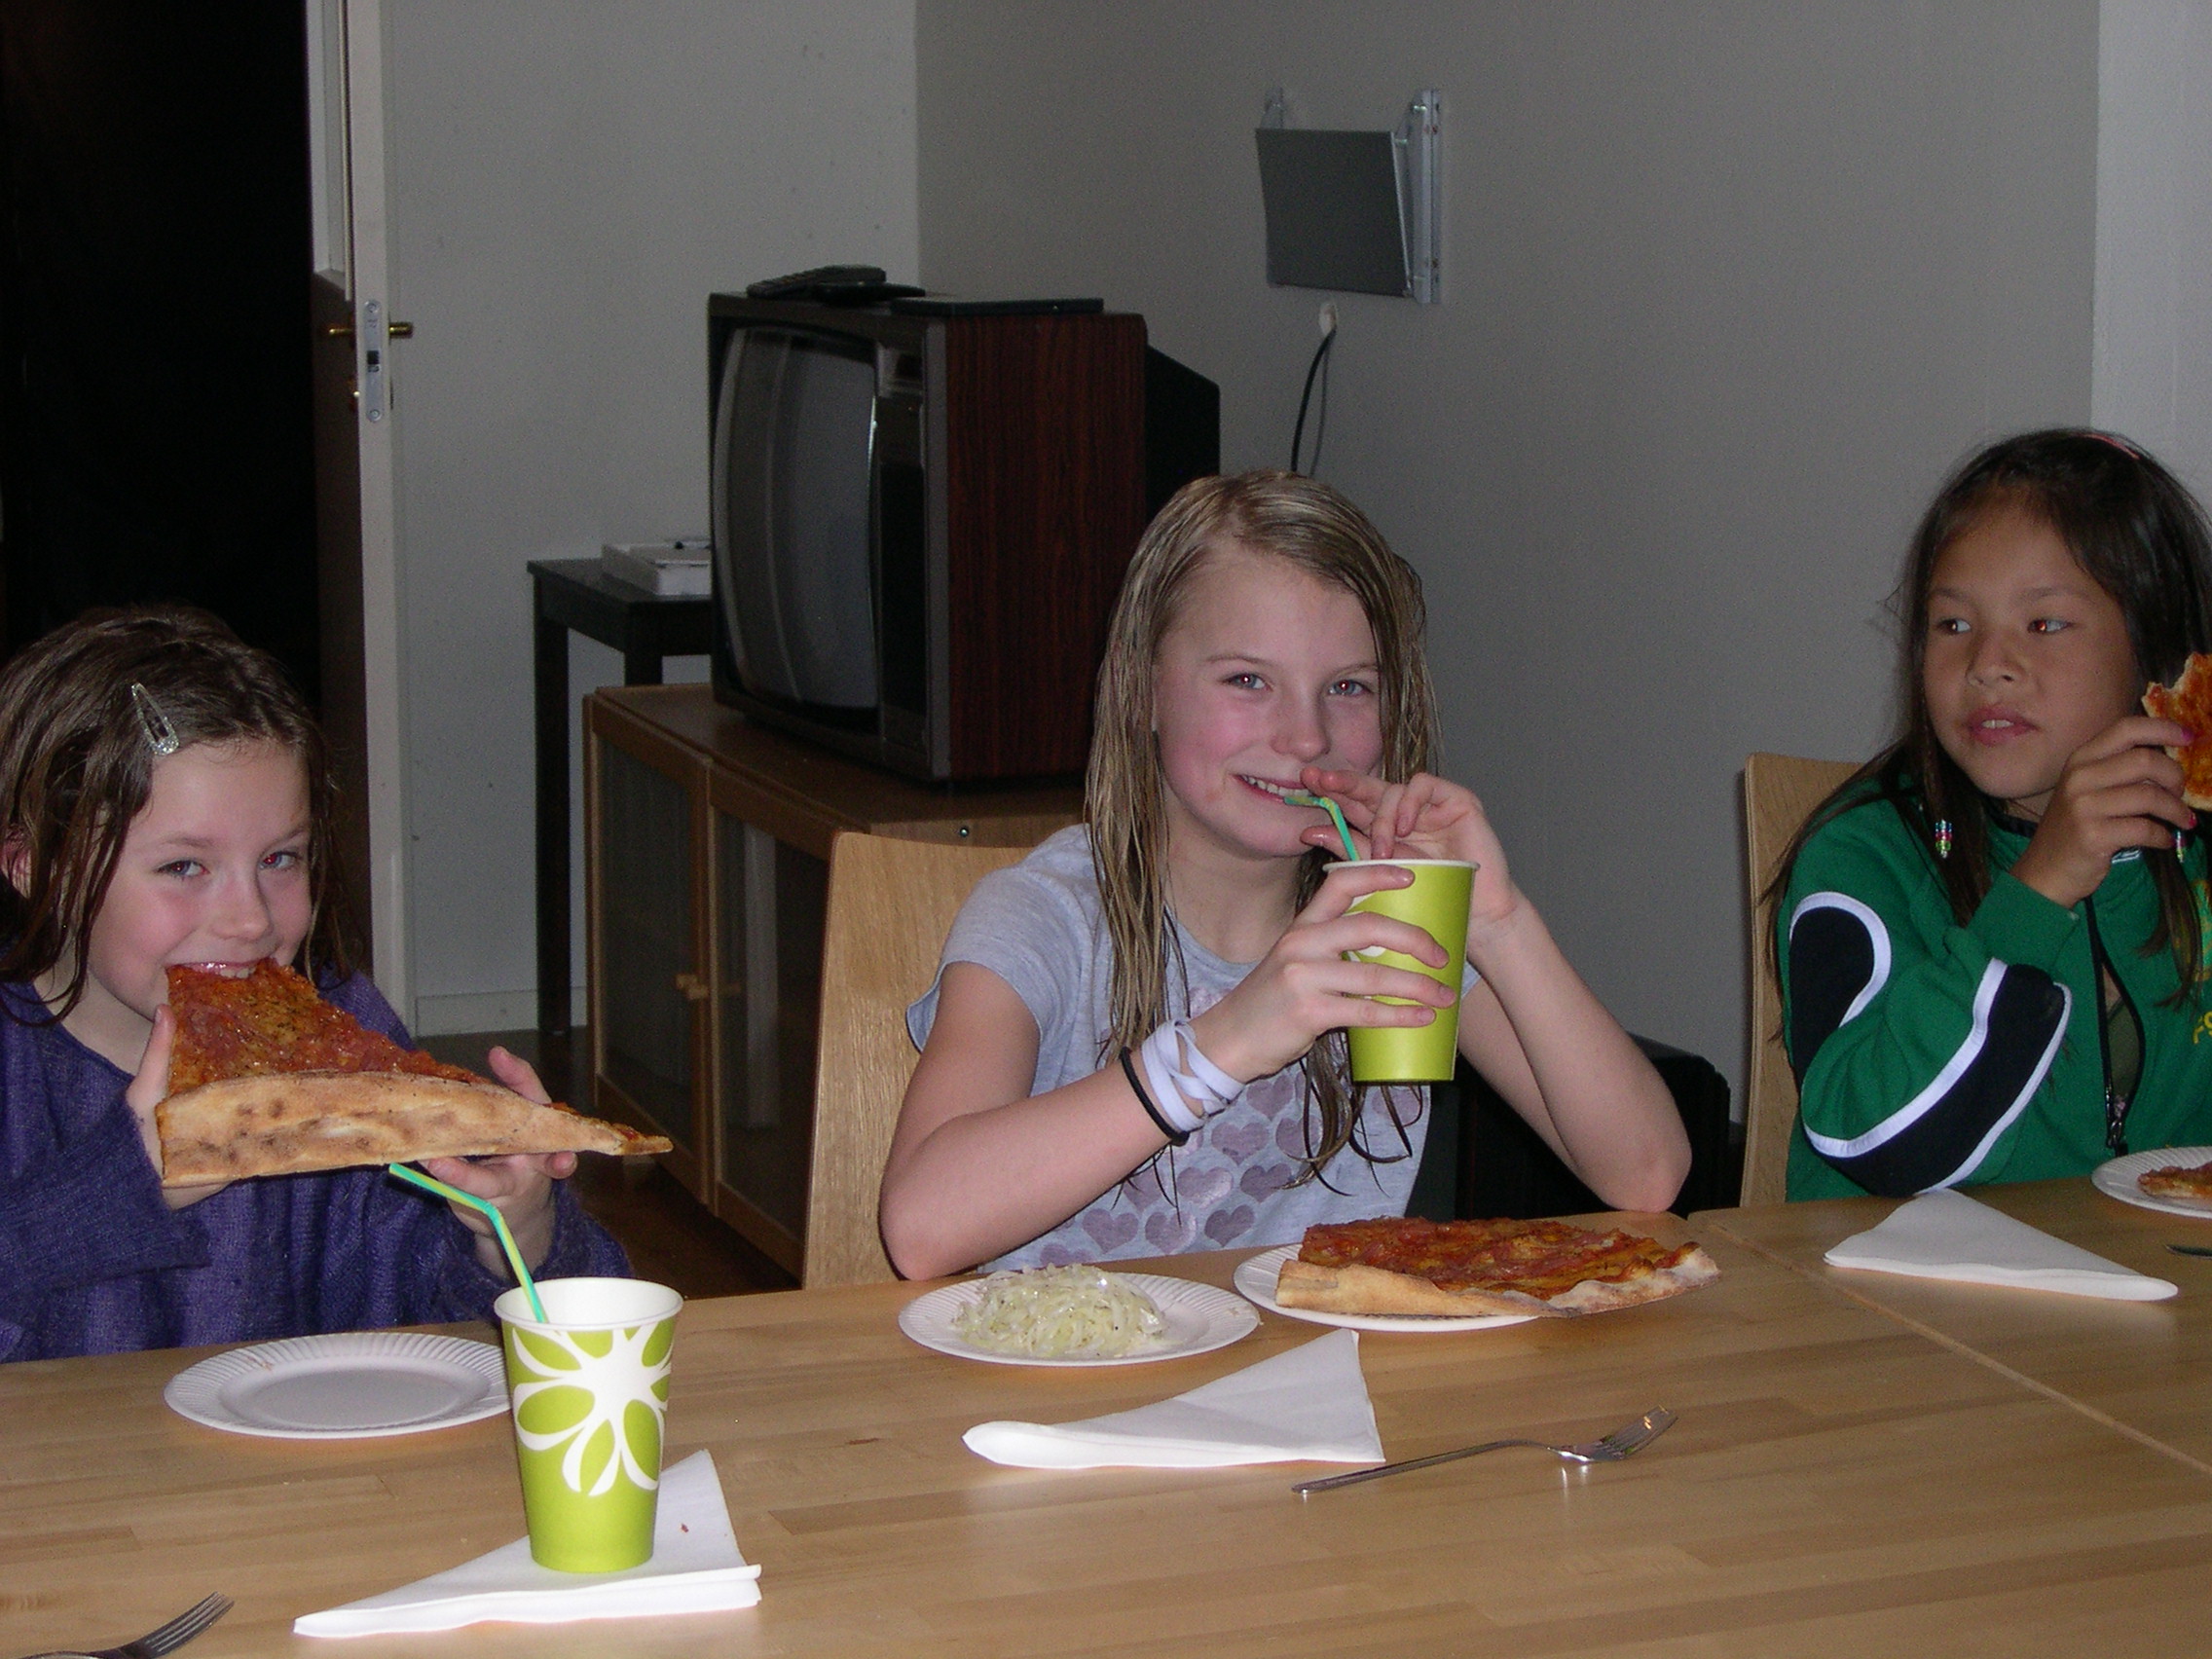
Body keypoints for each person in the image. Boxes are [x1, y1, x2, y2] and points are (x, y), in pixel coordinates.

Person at [880, 470, 1689, 1278]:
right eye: (1247, 680)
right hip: (1075, 1358)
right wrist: (1227, 1040)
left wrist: (1499, 923)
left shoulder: (1392, 918)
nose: (1306, 736)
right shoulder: (1047, 914)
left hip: (1317, 1356)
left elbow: (1646, 1174)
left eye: (1348, 687)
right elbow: (921, 1229)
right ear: (1144, 689)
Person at [0, 608, 630, 1361]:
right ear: (36, 868)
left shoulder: (340, 1030)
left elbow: (520, 1341)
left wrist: (516, 1232)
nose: (250, 920)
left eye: (280, 859)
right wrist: (118, 1188)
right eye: (183, 867)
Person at [1774, 428, 2212, 1199]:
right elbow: (1869, 1139)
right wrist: (2037, 893)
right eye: (1953, 625)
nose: (1986, 665)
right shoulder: (1866, 854)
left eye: (2044, 624)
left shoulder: (2194, 851)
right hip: (1893, 1270)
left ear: (2158, 655)